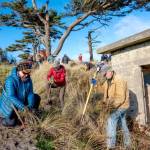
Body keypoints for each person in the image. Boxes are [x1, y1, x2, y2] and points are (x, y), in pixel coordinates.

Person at [0, 62, 41, 127]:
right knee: (11, 123)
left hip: (20, 100)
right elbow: (11, 97)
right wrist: (23, 108)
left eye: (28, 73)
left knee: (36, 97)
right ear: (18, 71)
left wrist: (30, 106)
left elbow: (30, 93)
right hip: (9, 105)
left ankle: (32, 116)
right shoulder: (10, 80)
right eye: (24, 73)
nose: (27, 75)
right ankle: (2, 119)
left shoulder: (28, 79)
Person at [100, 66, 131, 149]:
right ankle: (128, 144)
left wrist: (110, 107)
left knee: (111, 120)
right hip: (116, 105)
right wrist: (94, 84)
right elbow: (102, 89)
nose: (105, 76)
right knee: (123, 124)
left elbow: (121, 98)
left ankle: (111, 146)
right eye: (104, 75)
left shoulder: (119, 79)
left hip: (122, 105)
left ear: (111, 71)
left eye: (105, 74)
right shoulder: (108, 80)